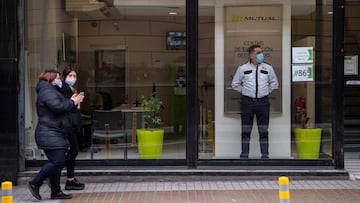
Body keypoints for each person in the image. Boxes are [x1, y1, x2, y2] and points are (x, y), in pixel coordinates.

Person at [28, 70, 84, 200]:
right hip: (50, 132)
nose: (60, 80)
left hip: (55, 132)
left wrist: (72, 100)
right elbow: (58, 106)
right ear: (50, 79)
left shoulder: (51, 91)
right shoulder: (47, 92)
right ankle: (35, 182)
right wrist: (73, 102)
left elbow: (61, 106)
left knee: (57, 163)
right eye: (57, 78)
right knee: (58, 161)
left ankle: (56, 191)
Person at [231, 44, 279, 159]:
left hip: (263, 102)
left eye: (261, 52)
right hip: (247, 102)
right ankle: (244, 155)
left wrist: (265, 91)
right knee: (246, 130)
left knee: (263, 130)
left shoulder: (268, 68)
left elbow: (274, 83)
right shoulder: (243, 68)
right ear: (251, 55)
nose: (261, 55)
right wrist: (246, 91)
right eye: (258, 52)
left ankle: (265, 155)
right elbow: (235, 84)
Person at [59, 67, 85, 190]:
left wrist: (77, 98)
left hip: (72, 124)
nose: (73, 78)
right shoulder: (64, 88)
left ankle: (70, 178)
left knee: (73, 151)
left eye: (74, 76)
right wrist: (75, 100)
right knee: (73, 150)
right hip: (68, 124)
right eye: (70, 75)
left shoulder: (71, 89)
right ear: (65, 76)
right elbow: (65, 105)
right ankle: (56, 174)